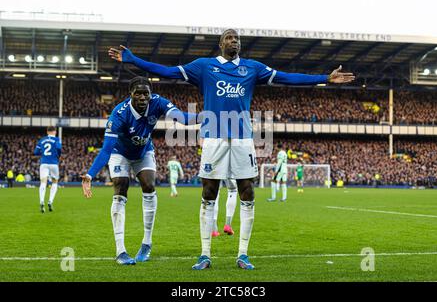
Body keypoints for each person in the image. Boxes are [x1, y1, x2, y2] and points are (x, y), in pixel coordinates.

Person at [108, 29, 354, 270]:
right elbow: (167, 71)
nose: (234, 41)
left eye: (237, 38)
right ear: (220, 43)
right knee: (209, 191)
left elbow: (286, 77)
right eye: (229, 37)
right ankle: (204, 254)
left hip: (243, 139)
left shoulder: (252, 68)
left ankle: (243, 254)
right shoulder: (204, 66)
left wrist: (324, 78)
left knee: (247, 190)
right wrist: (132, 59)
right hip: (213, 138)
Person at [81, 77, 198, 265]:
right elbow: (106, 150)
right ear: (131, 94)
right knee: (120, 186)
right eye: (138, 93)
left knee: (149, 185)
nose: (143, 97)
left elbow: (181, 118)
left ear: (150, 94)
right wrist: (89, 175)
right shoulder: (119, 114)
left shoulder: (157, 102)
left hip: (144, 151)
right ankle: (121, 251)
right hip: (120, 153)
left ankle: (146, 243)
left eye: (146, 93)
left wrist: (204, 117)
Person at [34, 126, 62, 213]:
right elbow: (59, 148)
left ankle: (41, 201)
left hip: (44, 163)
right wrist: (58, 155)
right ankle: (50, 201)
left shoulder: (41, 140)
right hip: (54, 163)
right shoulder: (57, 139)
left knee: (43, 182)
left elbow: (36, 152)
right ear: (55, 132)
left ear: (47, 131)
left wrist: (43, 152)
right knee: (54, 182)